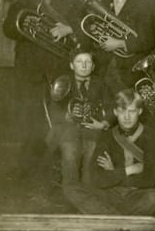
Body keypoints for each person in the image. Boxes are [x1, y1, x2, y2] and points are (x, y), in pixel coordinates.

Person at [3, 0, 83, 171]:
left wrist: (68, 29)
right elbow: (8, 28)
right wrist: (28, 27)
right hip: (29, 63)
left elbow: (80, 27)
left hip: (58, 63)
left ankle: (57, 161)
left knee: (59, 112)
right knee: (29, 113)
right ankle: (28, 162)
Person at [63, 89, 155, 215]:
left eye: (131, 111)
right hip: (111, 194)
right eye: (122, 111)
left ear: (140, 111)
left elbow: (149, 179)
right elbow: (97, 178)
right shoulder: (107, 136)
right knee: (71, 189)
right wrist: (129, 170)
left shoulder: (151, 135)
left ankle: (108, 217)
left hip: (137, 195)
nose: (126, 117)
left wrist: (113, 172)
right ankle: (121, 220)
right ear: (115, 112)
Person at [46, 49, 114, 185]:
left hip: (93, 129)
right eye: (79, 62)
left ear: (93, 66)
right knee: (70, 151)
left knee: (91, 151)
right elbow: (53, 110)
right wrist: (67, 116)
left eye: (88, 62)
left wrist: (104, 123)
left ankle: (87, 191)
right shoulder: (64, 82)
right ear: (72, 65)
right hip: (67, 129)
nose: (84, 65)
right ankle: (71, 190)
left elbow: (111, 106)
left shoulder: (100, 83)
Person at [96, 0, 153, 93]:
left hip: (129, 69)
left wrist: (120, 43)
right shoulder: (101, 5)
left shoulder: (143, 5)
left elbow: (148, 39)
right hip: (103, 67)